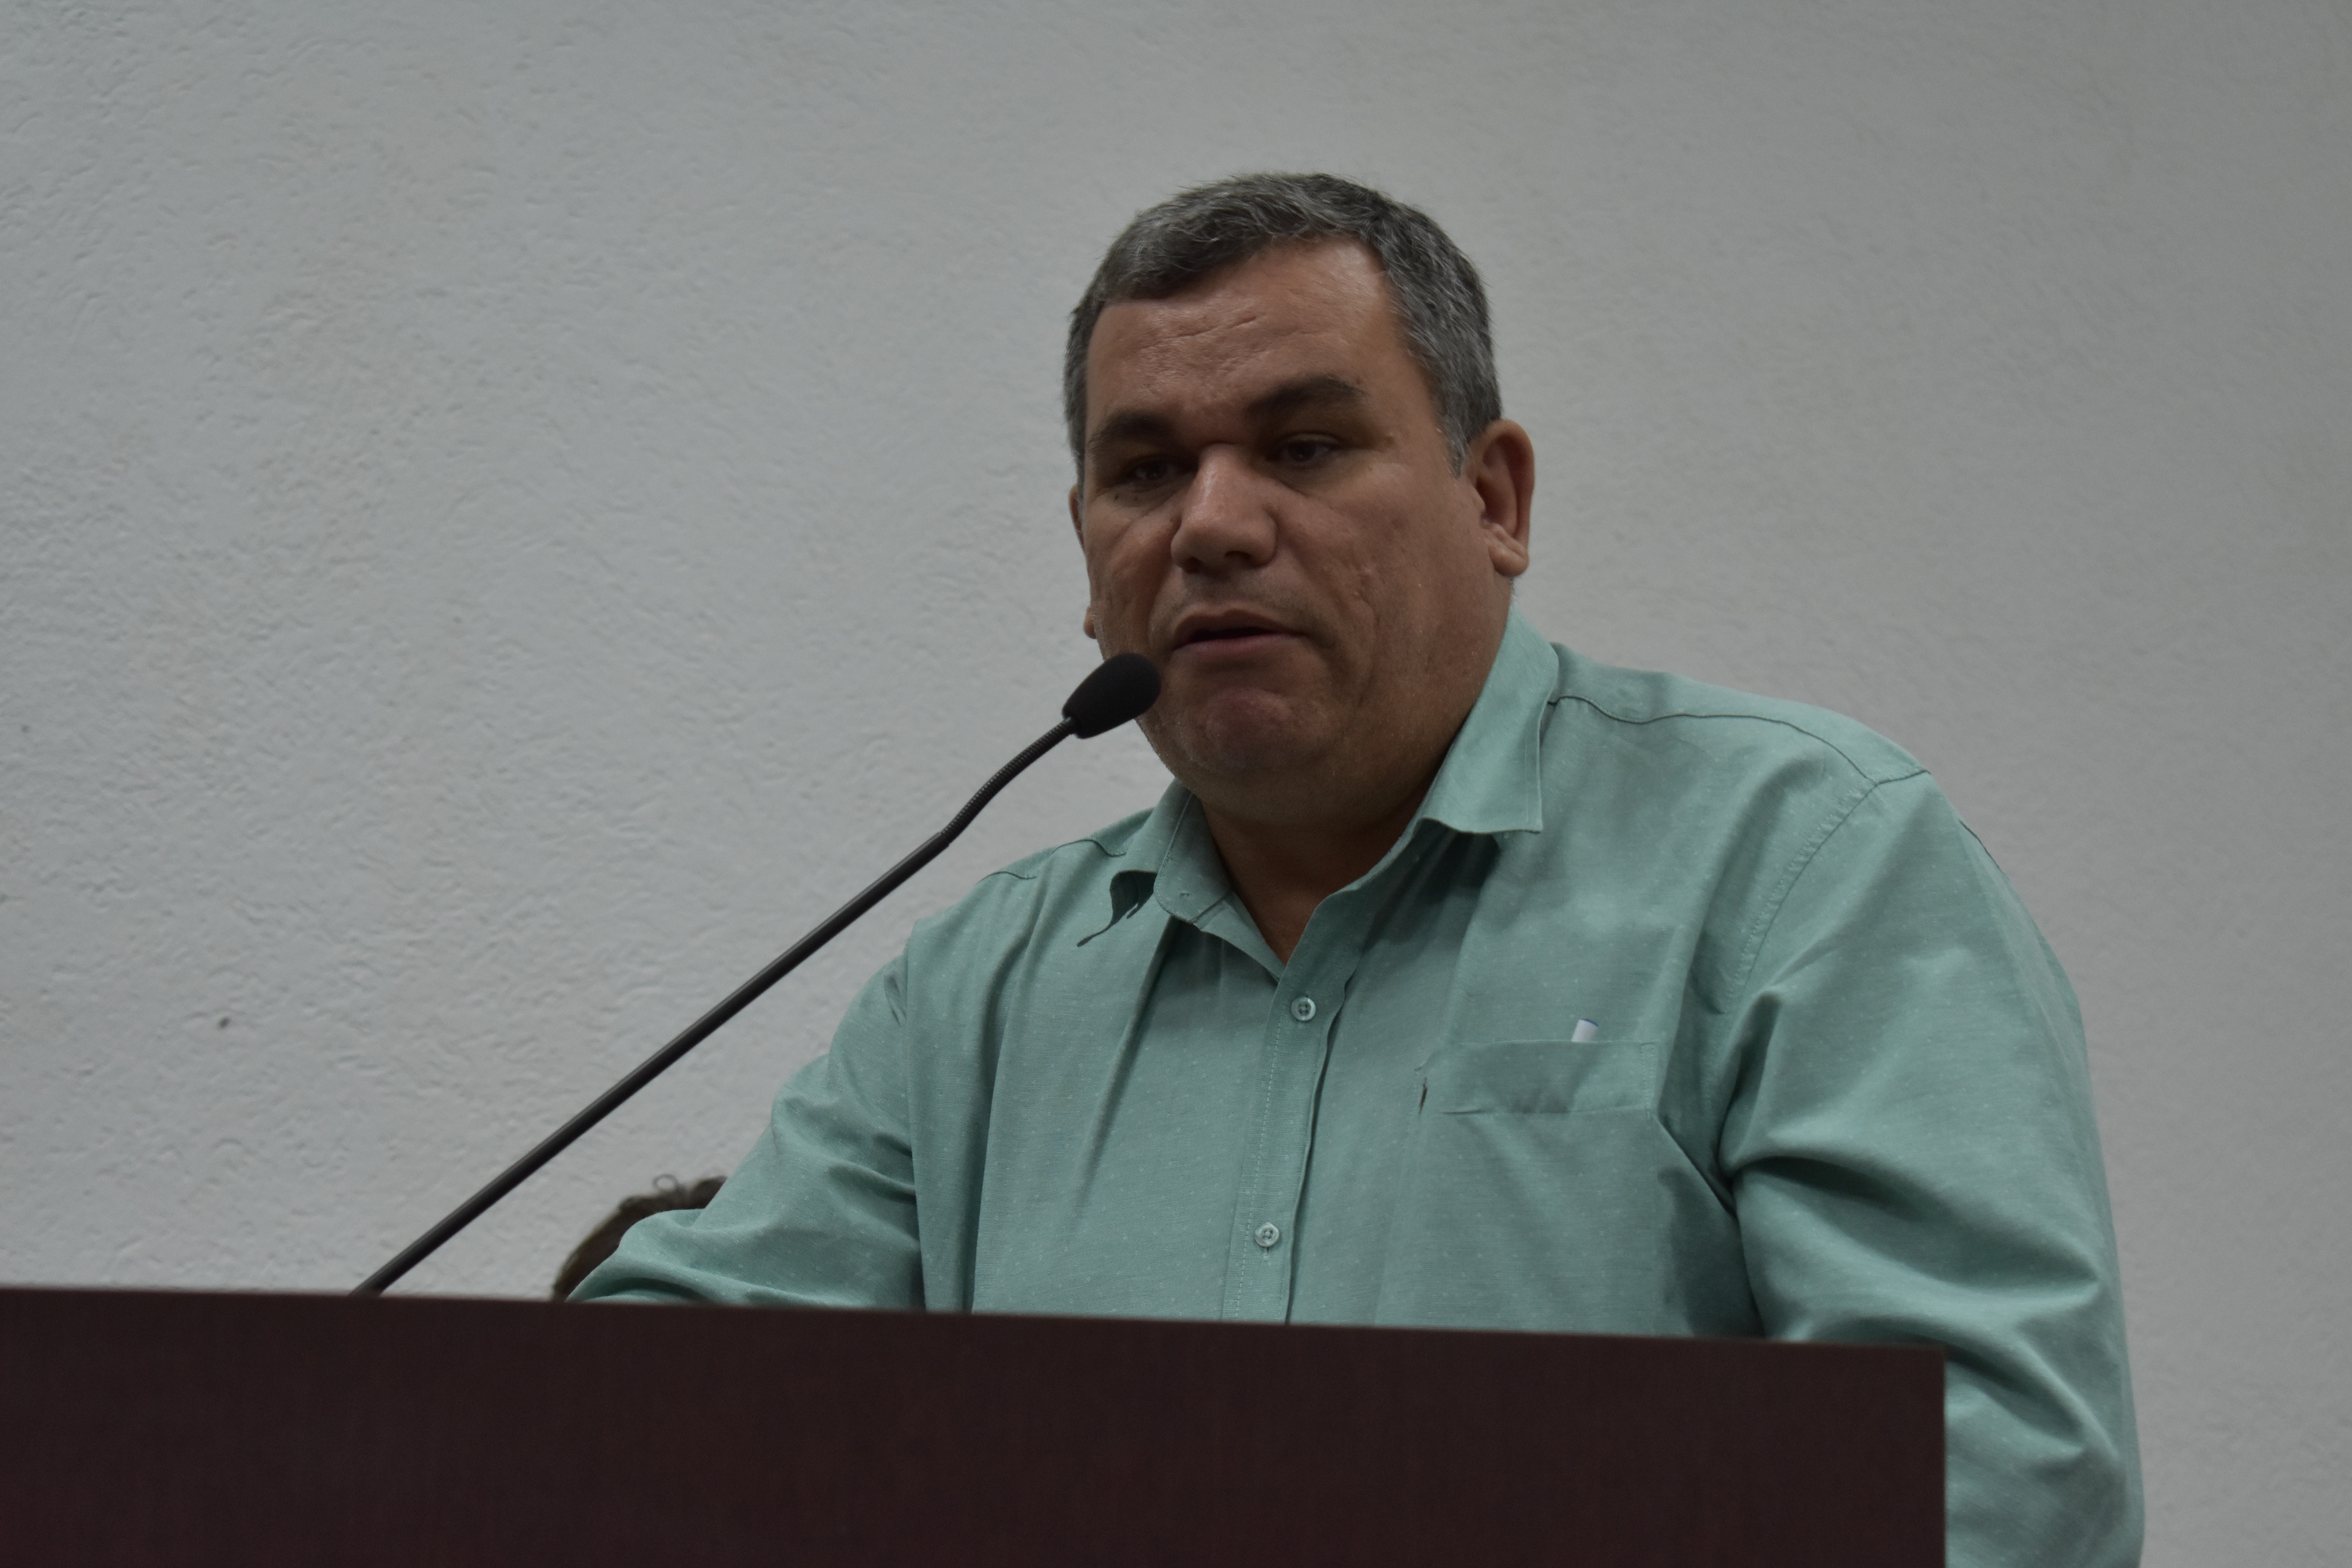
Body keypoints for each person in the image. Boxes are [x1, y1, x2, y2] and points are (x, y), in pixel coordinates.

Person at [575, 174, 2141, 1566]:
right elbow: (638, 1421)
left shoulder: (1800, 860)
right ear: (1087, 553)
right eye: (1145, 470)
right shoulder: (979, 990)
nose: (1211, 525)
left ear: (1493, 498)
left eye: (1305, 447)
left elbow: (1997, 1482)